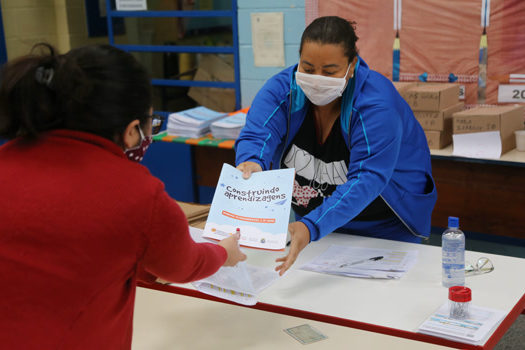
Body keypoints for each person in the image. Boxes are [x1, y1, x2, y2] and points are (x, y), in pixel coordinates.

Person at [0, 43, 246, 349]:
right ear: (131, 131)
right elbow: (183, 266)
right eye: (150, 124)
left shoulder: (6, 159)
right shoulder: (137, 194)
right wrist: (223, 252)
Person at [235, 16, 437, 276]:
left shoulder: (376, 105)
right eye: (307, 68)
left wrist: (312, 226)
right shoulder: (280, 90)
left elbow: (367, 177)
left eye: (329, 72)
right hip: (313, 224)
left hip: (382, 229)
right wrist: (252, 161)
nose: (317, 79)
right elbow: (257, 134)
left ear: (351, 66)